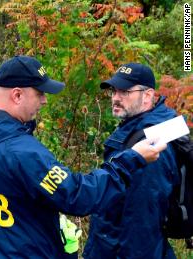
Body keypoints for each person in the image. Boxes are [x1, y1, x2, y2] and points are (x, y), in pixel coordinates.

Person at [0, 56, 167, 258]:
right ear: (17, 95)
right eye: (40, 93)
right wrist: (133, 159)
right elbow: (80, 196)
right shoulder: (23, 153)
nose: (45, 101)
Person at [83, 63, 179, 259]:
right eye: (114, 91)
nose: (116, 98)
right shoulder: (136, 128)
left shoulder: (151, 141)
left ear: (148, 96)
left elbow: (142, 221)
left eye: (125, 92)